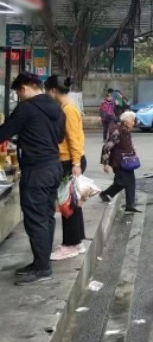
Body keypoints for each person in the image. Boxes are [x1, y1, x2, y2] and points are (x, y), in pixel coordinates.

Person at [0, 72, 65, 285]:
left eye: (19, 92)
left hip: (37, 171)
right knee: (45, 217)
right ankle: (41, 262)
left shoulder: (27, 108)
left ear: (26, 87)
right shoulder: (55, 107)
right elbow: (59, 137)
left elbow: (4, 132)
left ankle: (42, 268)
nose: (19, 97)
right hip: (53, 167)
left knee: (35, 220)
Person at [45, 76, 87, 261]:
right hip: (70, 160)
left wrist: (76, 163)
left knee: (67, 205)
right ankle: (77, 242)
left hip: (69, 161)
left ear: (53, 91)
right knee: (72, 204)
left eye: (47, 91)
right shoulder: (66, 107)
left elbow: (74, 138)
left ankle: (70, 245)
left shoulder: (68, 110)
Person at [100, 111, 141, 214]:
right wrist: (105, 164)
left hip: (127, 162)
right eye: (132, 120)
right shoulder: (117, 131)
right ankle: (105, 194)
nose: (134, 123)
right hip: (119, 162)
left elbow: (125, 145)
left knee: (130, 182)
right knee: (121, 182)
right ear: (126, 121)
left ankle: (129, 205)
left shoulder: (126, 131)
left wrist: (132, 149)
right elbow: (106, 147)